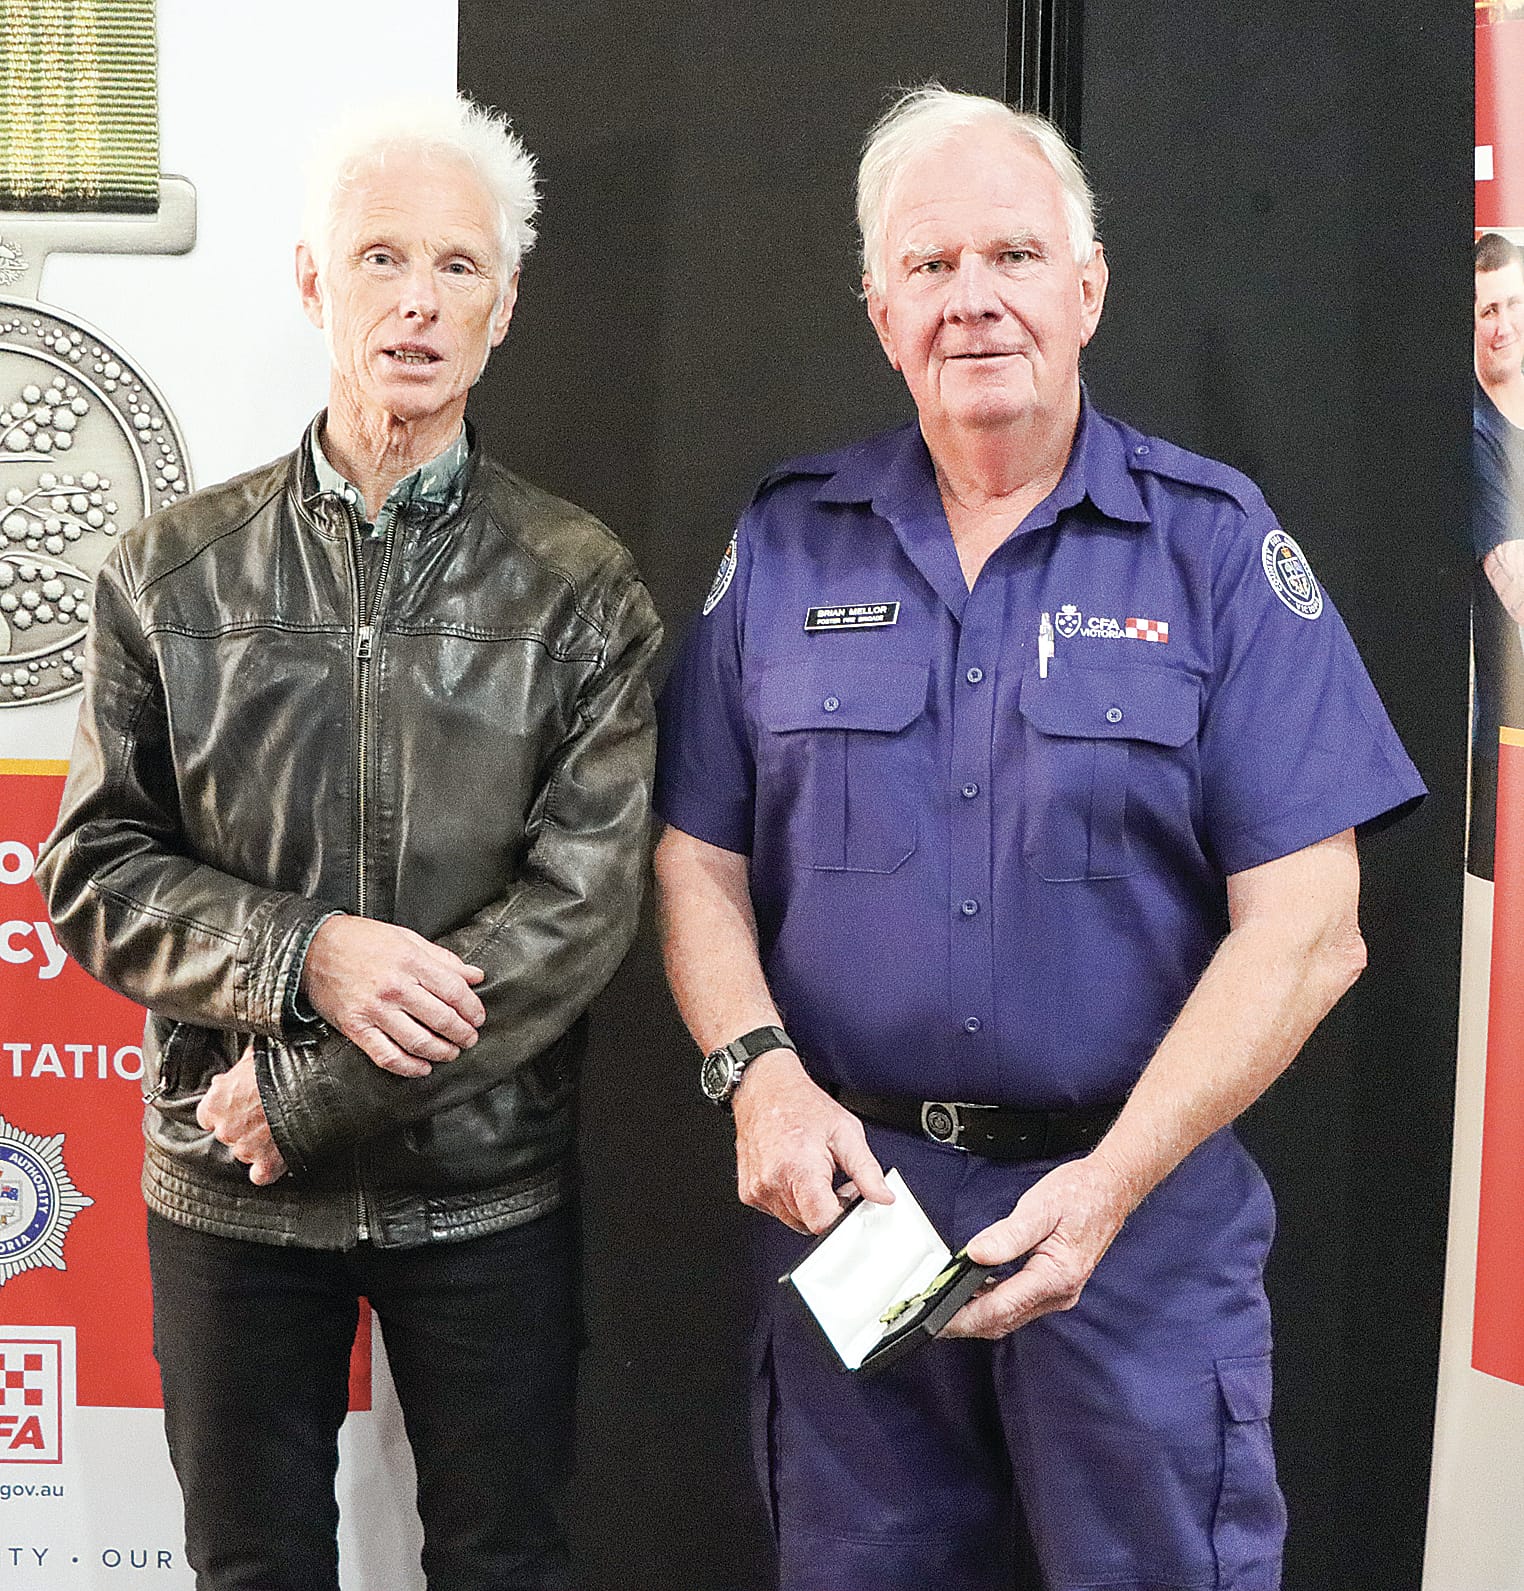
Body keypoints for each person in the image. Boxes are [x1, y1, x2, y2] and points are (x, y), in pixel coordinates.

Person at [653, 86, 1424, 1591]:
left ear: (1089, 287)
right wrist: (760, 1077)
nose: (975, 299)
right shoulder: (788, 538)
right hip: (856, 1211)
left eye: (1013, 253)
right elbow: (696, 859)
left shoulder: (1209, 544)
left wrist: (1116, 1179)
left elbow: (1312, 922)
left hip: (1134, 1219)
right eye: (930, 267)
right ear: (881, 311)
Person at [38, 95, 660, 1591]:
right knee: (250, 1567)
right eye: (380, 258)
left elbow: (580, 908)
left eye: (458, 267)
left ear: (503, 309)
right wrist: (303, 951)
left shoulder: (582, 585)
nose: (418, 301)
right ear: (315, 283)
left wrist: (313, 1092)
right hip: (226, 1186)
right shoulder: (167, 571)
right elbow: (92, 871)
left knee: (505, 1561)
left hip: (484, 1188)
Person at [1469, 231, 1524, 878]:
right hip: (1507, 748)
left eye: (1514, 304)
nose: (1505, 325)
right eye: (1488, 311)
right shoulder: (1476, 436)